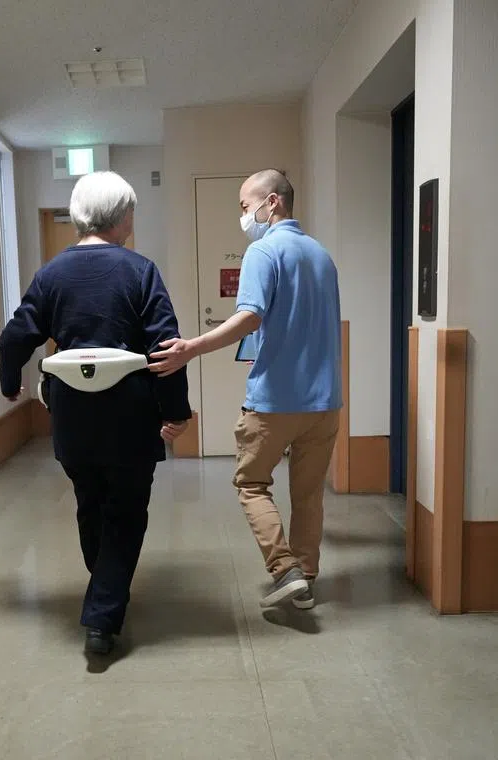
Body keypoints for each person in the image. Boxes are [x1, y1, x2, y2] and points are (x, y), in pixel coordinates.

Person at [0, 171, 192, 657]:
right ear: (124, 217)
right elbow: (166, 348)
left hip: (72, 417)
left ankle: (105, 588)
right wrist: (176, 412)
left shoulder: (50, 275)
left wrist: (8, 384)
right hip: (130, 415)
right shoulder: (140, 271)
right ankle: (102, 614)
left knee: (91, 501)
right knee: (126, 514)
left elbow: (12, 339)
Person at [150, 169, 341, 610]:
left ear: (272, 202)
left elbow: (251, 315)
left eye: (244, 205)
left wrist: (191, 348)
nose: (244, 214)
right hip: (325, 400)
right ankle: (306, 577)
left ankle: (284, 568)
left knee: (251, 483)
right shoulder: (321, 255)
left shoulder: (264, 250)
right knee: (309, 494)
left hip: (275, 401)